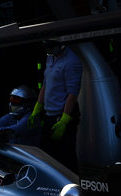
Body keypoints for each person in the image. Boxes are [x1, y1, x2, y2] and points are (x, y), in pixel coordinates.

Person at [28, 41, 83, 173]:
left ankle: (73, 186)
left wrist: (65, 119)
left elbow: (72, 93)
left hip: (62, 114)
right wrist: (37, 109)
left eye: (51, 47)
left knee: (66, 156)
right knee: (47, 155)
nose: (48, 50)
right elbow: (46, 84)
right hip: (49, 114)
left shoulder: (71, 62)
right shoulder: (50, 57)